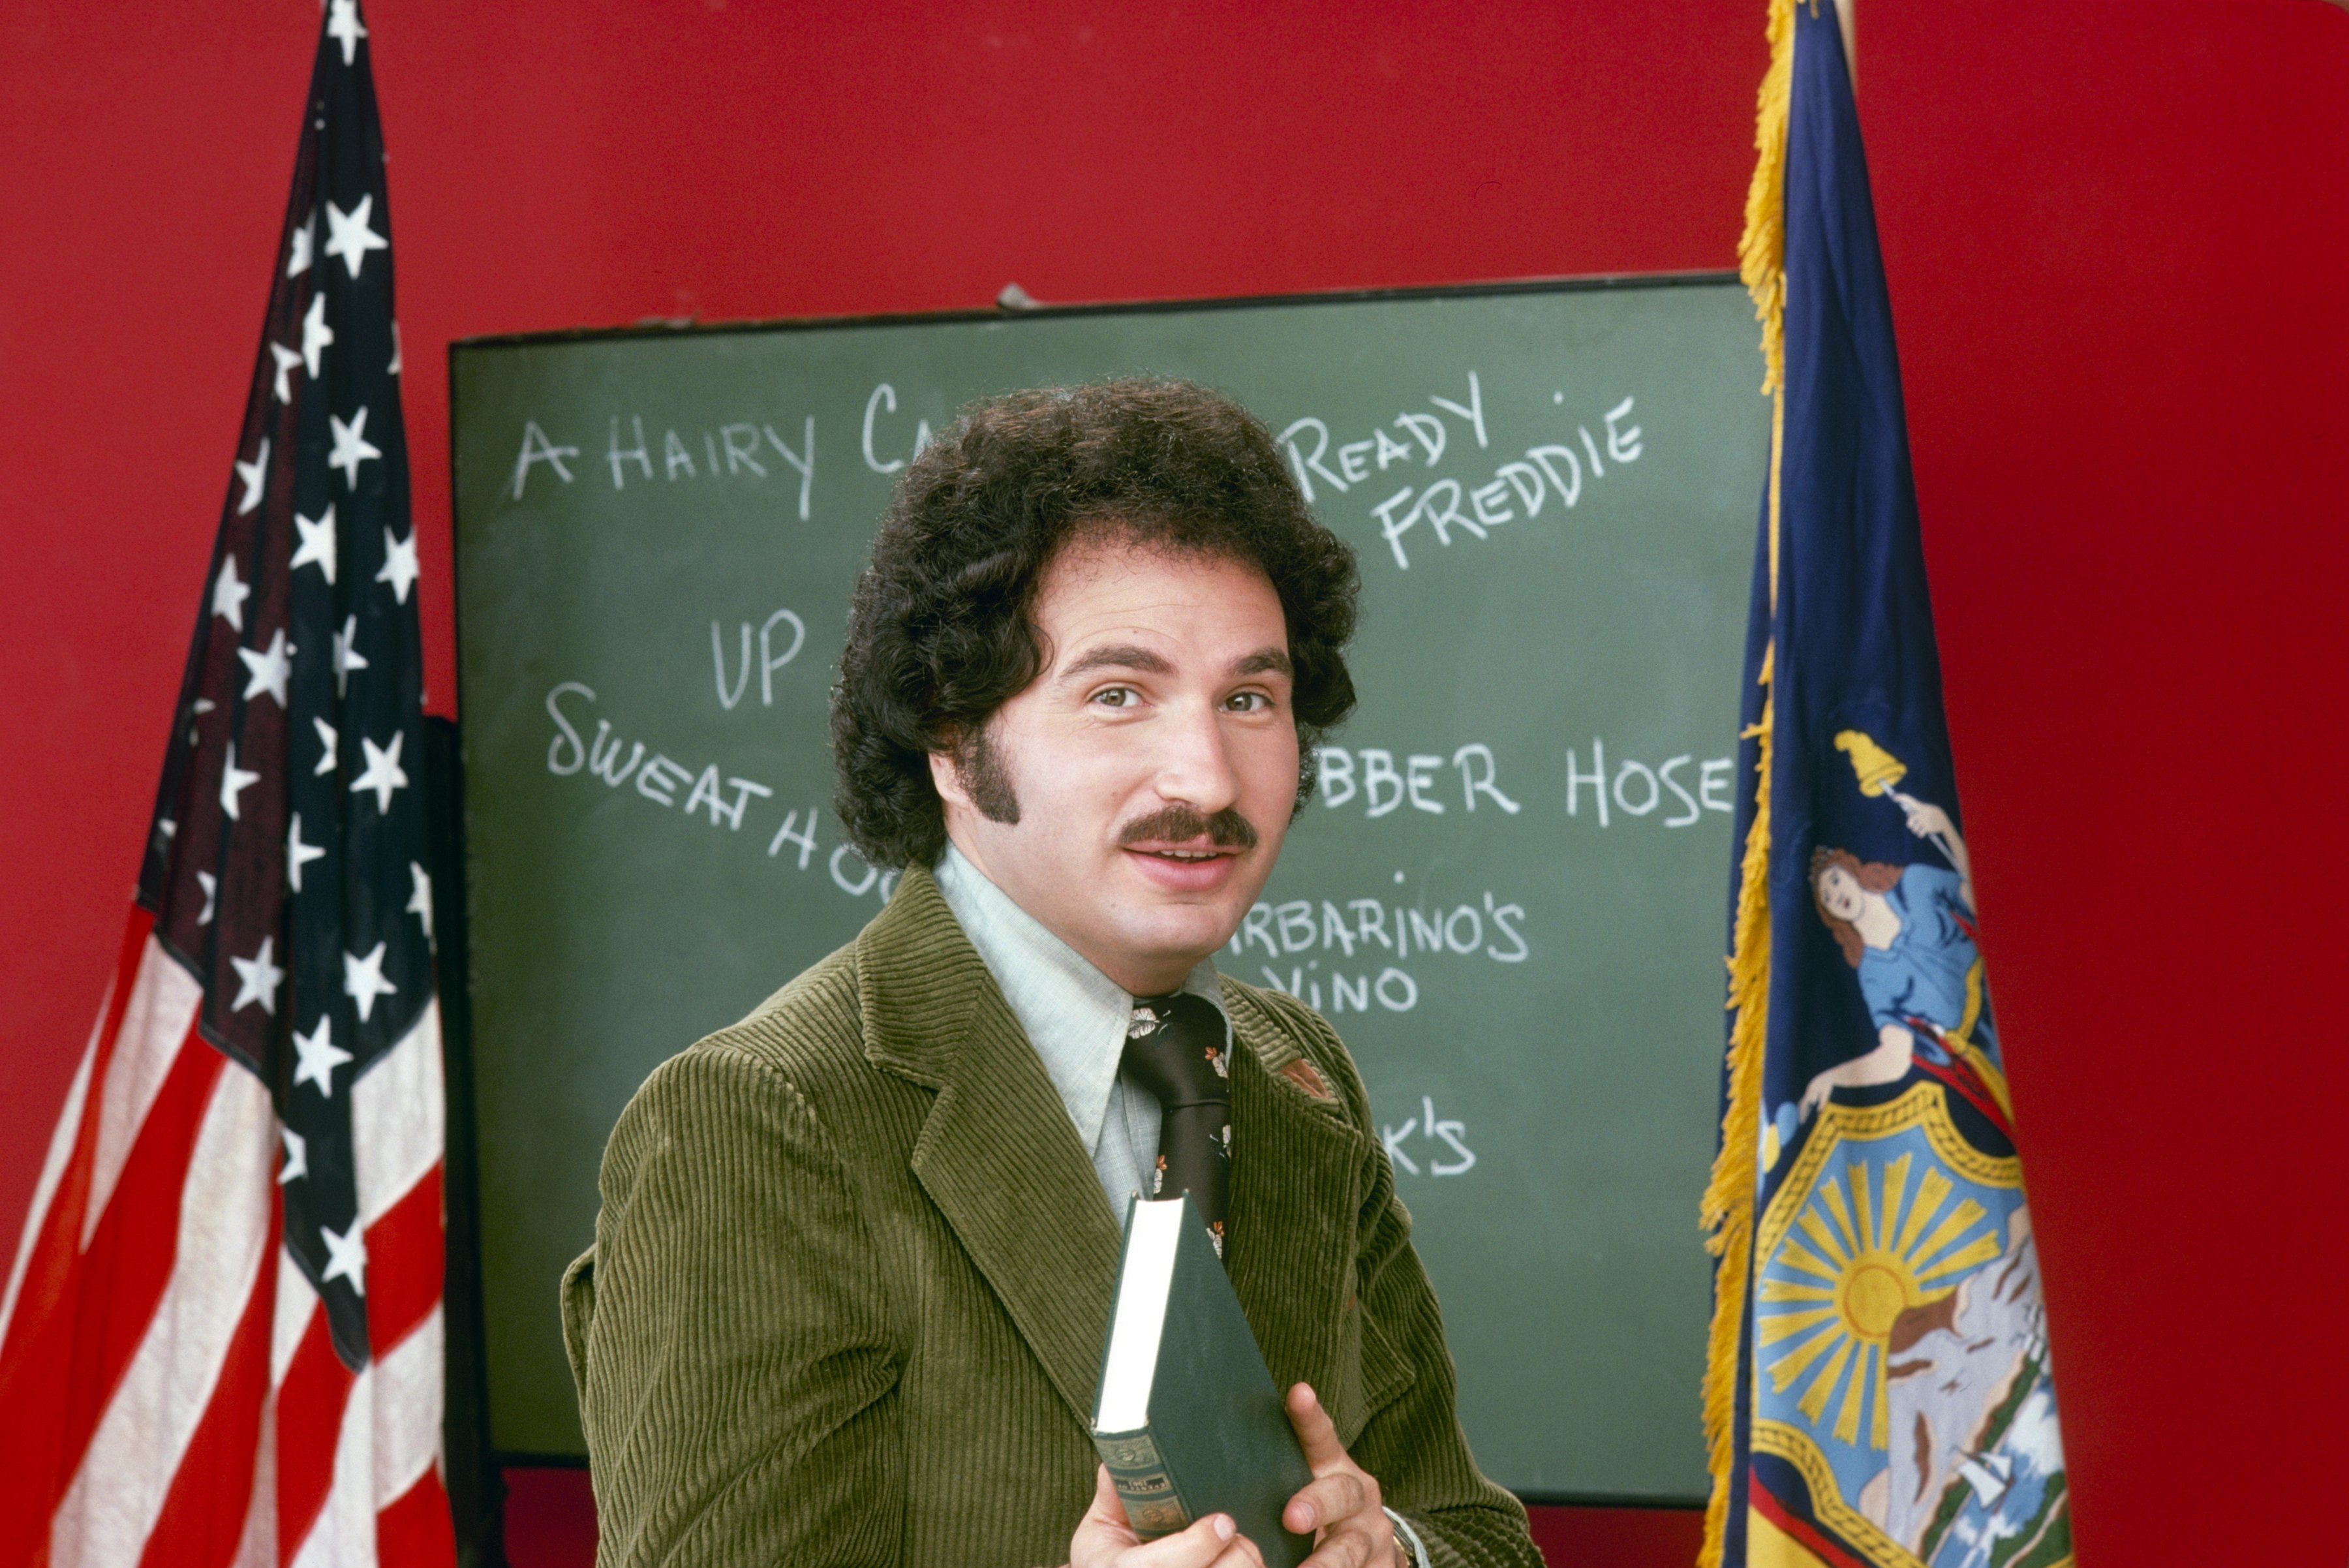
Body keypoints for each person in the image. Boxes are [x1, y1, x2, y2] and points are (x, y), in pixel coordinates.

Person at [561, 379, 1540, 1568]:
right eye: (1118, 695)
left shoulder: (1293, 1072)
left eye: (1249, 698)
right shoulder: (761, 1122)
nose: (1208, 779)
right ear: (951, 739)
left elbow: (1480, 1536)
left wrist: (1391, 1551)